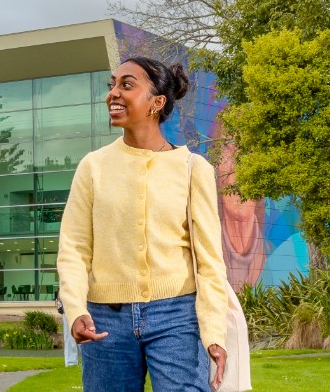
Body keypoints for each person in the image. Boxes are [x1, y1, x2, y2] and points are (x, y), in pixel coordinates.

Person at [56, 57, 229, 391]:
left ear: (157, 102)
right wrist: (76, 310)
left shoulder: (193, 168)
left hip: (177, 317)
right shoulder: (93, 167)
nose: (113, 93)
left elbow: (210, 261)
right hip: (104, 319)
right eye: (112, 85)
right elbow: (74, 248)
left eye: (127, 85)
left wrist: (214, 334)